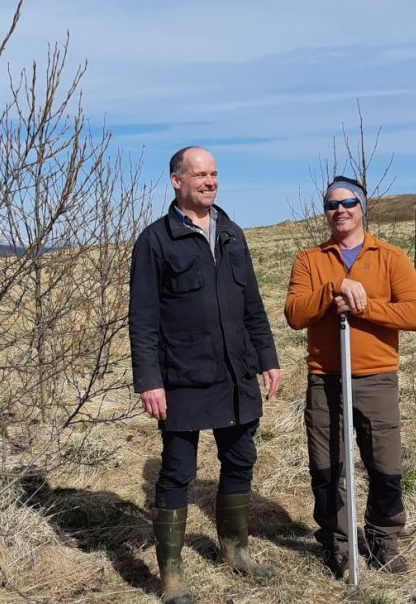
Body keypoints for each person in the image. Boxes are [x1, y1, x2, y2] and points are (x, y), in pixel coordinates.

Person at [129, 146, 282, 604]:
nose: (210, 181)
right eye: (200, 175)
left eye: (214, 174)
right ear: (177, 181)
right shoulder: (155, 241)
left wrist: (268, 358)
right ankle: (171, 576)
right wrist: (149, 380)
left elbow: (252, 304)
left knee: (240, 461)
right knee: (177, 471)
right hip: (181, 377)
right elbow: (142, 318)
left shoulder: (233, 233)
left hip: (236, 373)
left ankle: (235, 550)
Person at [283, 175, 416, 578]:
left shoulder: (390, 257)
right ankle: (337, 542)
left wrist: (364, 305)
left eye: (348, 202)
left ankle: (383, 538)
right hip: (324, 378)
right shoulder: (309, 261)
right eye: (332, 205)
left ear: (362, 207)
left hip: (377, 377)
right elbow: (295, 314)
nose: (340, 210)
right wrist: (332, 289)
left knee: (385, 465)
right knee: (327, 467)